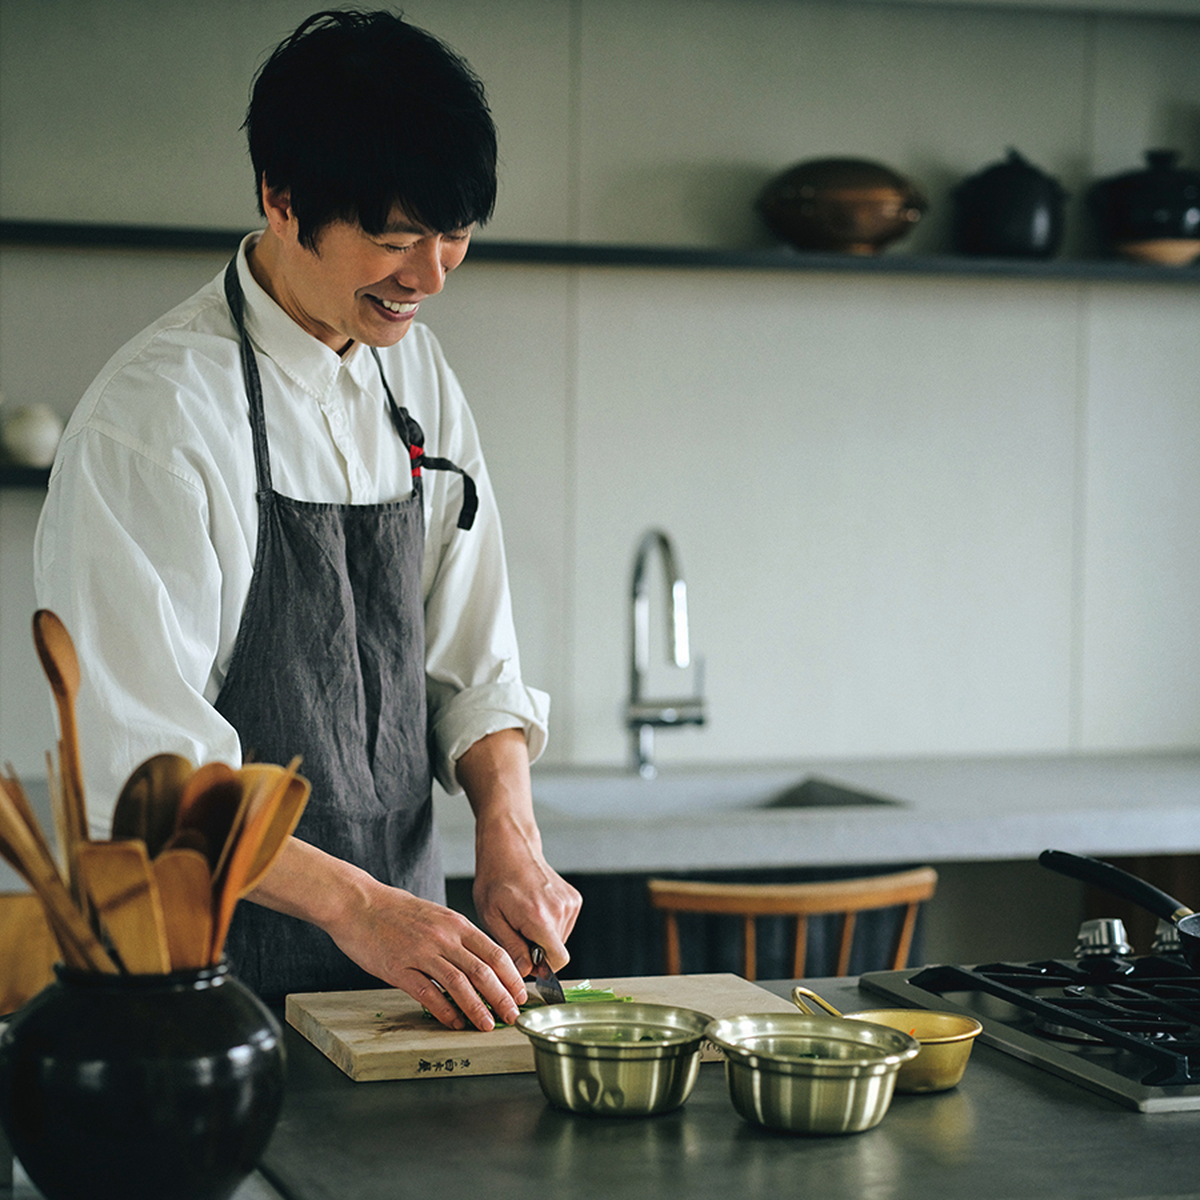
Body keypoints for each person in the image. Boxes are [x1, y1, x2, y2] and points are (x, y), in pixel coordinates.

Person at [34, 8, 580, 1030]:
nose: (428, 277)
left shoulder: (414, 374)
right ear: (282, 202)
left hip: (403, 1000)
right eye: (393, 238)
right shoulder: (155, 419)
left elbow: (473, 658)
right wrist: (362, 910)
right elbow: (151, 785)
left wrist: (511, 834)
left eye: (454, 236)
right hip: (202, 1004)